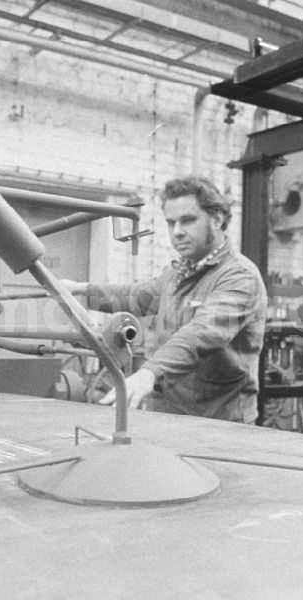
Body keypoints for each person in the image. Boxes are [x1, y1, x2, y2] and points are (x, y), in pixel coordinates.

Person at [66, 175, 267, 424]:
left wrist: (149, 373)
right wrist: (81, 290)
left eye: (188, 221)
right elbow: (138, 297)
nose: (177, 232)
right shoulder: (178, 273)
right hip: (172, 415)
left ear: (216, 220)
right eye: (171, 223)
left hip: (220, 422)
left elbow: (202, 333)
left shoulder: (239, 276)